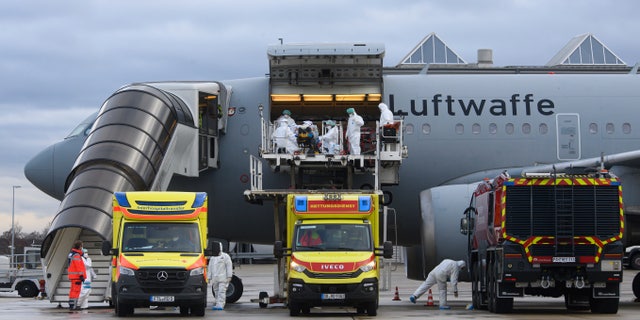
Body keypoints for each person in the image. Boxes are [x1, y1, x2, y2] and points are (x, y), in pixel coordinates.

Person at [208, 242, 233, 311]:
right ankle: (217, 303)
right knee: (216, 291)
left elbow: (229, 266)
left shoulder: (225, 256)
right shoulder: (212, 258)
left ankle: (221, 304)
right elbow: (210, 268)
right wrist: (209, 277)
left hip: (223, 278)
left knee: (221, 291)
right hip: (215, 278)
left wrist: (229, 276)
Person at [67, 240, 87, 310]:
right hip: (77, 277)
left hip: (73, 277)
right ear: (79, 247)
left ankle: (72, 305)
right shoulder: (76, 255)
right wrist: (81, 276)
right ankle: (74, 306)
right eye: (81, 246)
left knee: (72, 291)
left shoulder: (71, 254)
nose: (82, 247)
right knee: (76, 291)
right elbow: (79, 267)